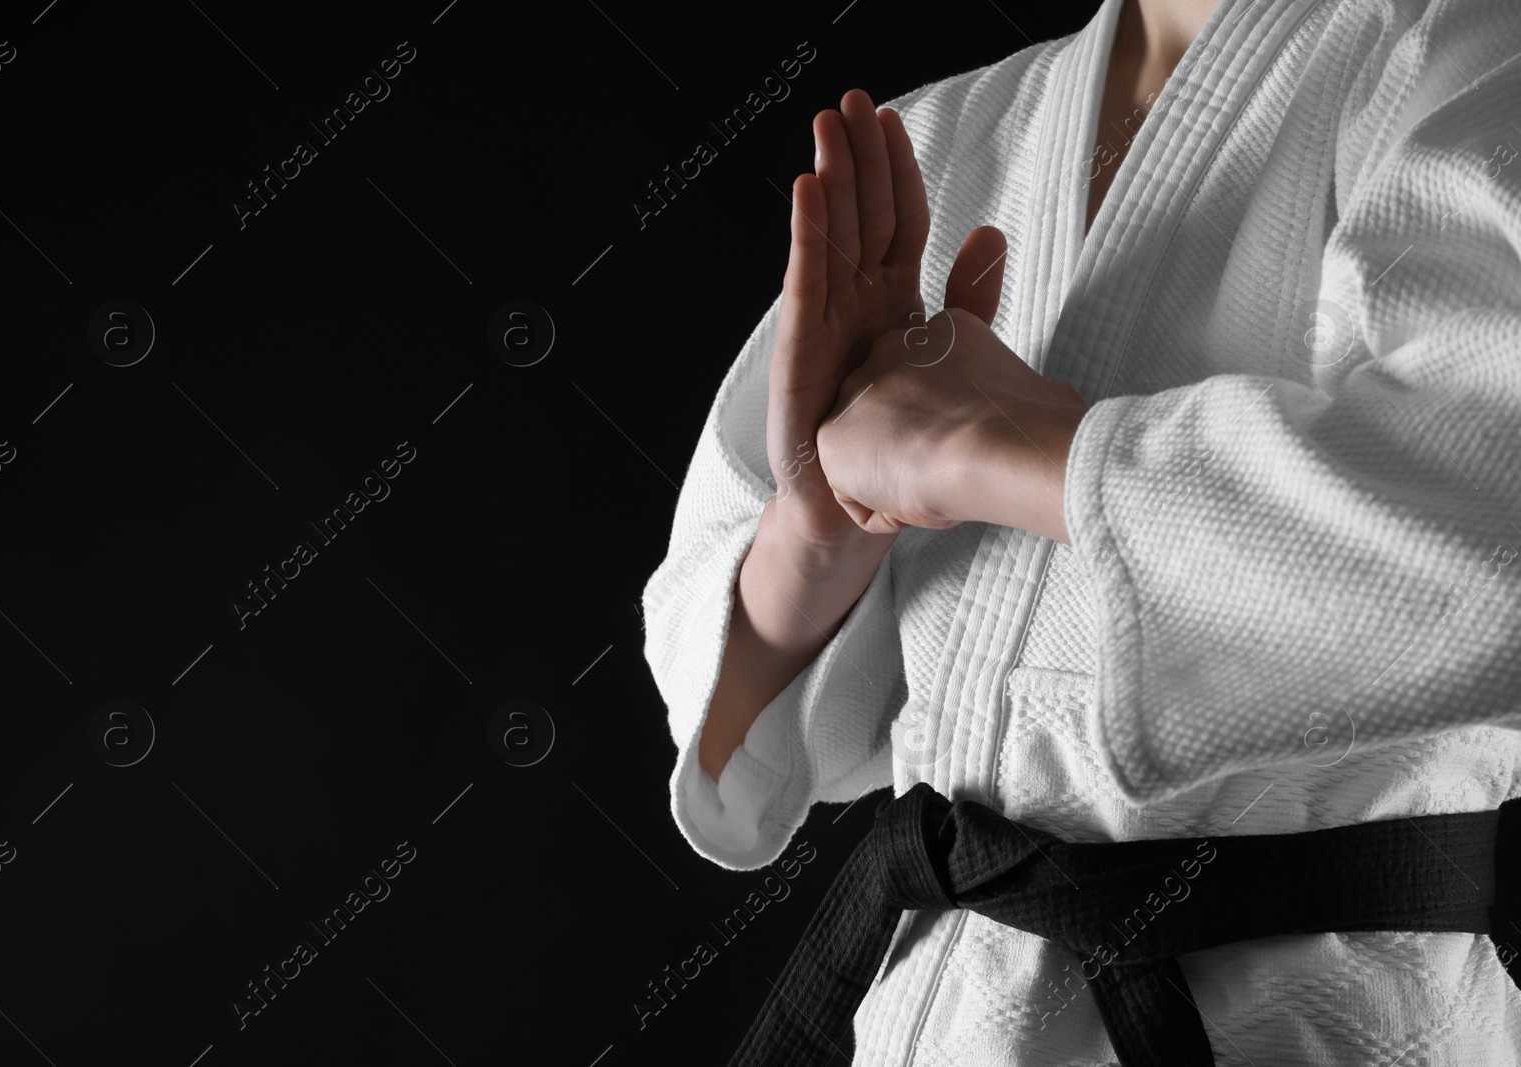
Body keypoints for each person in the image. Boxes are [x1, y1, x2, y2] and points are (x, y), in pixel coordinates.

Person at [640, 0, 1521, 1060]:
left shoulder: (1466, 53)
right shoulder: (944, 137)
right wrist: (823, 531)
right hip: (938, 1011)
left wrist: (1011, 448)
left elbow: (1480, 530)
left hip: (1292, 1022)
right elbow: (728, 689)